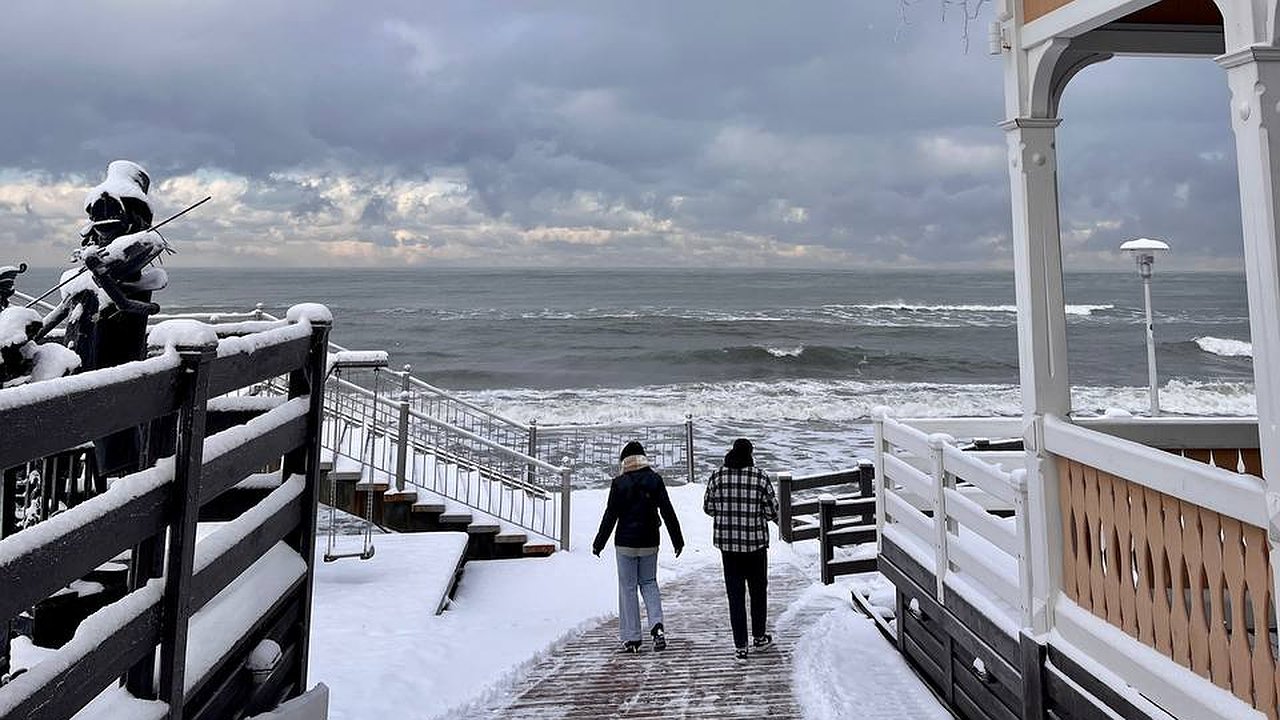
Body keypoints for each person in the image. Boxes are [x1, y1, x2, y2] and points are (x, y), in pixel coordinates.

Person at [593, 440, 684, 653]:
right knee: (649, 583)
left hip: (625, 543)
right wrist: (677, 540)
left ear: (624, 461)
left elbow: (610, 515)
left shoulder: (619, 483)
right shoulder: (654, 480)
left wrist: (599, 543)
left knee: (628, 588)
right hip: (650, 541)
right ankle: (657, 627)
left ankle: (632, 638)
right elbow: (667, 511)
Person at [703, 438, 778, 660]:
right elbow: (772, 512)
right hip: (755, 545)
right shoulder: (760, 477)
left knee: (735, 596)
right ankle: (759, 637)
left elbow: (708, 508)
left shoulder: (717, 476)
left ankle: (740, 646)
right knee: (758, 592)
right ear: (750, 454)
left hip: (728, 547)